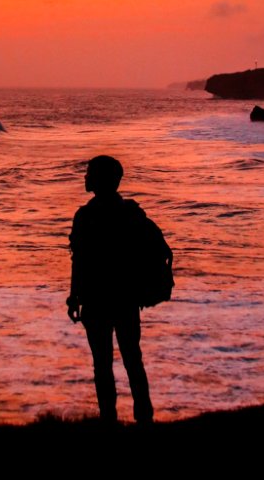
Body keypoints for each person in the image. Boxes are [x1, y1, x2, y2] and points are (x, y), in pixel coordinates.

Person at [67, 154, 171, 424]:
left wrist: (74, 296)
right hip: (126, 298)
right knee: (132, 360)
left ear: (102, 179)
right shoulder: (130, 213)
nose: (86, 177)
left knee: (103, 365)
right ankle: (144, 418)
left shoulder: (86, 215)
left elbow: (79, 260)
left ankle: (109, 420)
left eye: (90, 172)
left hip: (98, 300)